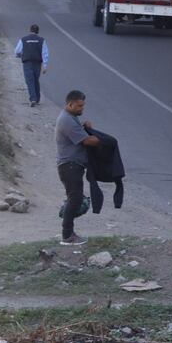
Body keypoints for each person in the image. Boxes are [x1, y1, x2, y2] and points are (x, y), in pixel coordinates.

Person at [55, 90, 100, 245]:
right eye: (79, 106)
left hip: (72, 166)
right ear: (70, 104)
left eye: (83, 105)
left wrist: (85, 127)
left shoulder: (71, 118)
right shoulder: (66, 120)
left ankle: (68, 230)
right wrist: (98, 139)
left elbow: (78, 133)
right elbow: (87, 141)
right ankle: (67, 235)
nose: (82, 109)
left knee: (74, 198)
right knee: (75, 200)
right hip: (70, 166)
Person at [14, 24, 49, 107]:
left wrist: (19, 55)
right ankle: (37, 98)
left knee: (29, 80)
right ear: (38, 31)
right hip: (37, 63)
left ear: (30, 30)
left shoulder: (23, 39)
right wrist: (45, 66)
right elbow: (45, 53)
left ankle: (33, 99)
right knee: (35, 79)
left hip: (27, 62)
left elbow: (17, 51)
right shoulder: (42, 40)